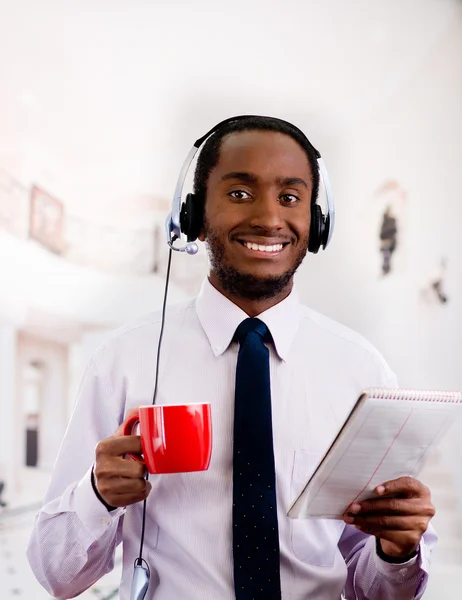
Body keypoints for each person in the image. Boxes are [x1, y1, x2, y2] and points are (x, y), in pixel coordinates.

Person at [27, 116, 437, 600]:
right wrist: (97, 496)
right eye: (240, 193)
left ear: (316, 221)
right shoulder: (125, 359)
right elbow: (57, 574)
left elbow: (376, 590)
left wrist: (397, 553)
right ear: (194, 215)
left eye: (290, 197)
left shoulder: (363, 372)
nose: (268, 217)